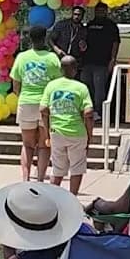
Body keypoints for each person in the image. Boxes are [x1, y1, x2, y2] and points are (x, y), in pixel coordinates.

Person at [10, 25, 60, 182]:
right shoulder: (52, 58)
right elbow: (56, 83)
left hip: (26, 102)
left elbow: (16, 83)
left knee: (27, 144)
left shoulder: (22, 57)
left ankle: (25, 179)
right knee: (45, 145)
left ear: (29, 39)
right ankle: (40, 179)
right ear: (45, 37)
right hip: (46, 104)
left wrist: (21, 96)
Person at [40, 56, 94, 196]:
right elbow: (89, 113)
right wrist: (89, 135)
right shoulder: (81, 88)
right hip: (77, 132)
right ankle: (72, 199)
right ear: (75, 70)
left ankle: (54, 199)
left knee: (57, 169)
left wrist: (47, 133)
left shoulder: (51, 86)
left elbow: (43, 109)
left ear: (60, 69)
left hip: (56, 132)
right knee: (77, 168)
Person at [81, 3, 120, 115]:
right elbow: (83, 40)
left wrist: (113, 59)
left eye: (103, 11)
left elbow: (115, 43)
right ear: (95, 11)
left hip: (103, 63)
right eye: (98, 11)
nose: (100, 13)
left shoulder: (111, 26)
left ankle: (99, 113)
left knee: (100, 91)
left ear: (106, 11)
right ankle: (87, 111)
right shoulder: (89, 24)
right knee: (86, 88)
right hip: (87, 62)